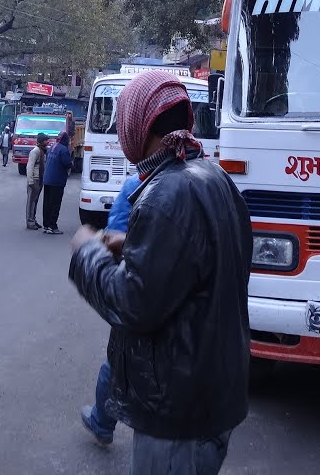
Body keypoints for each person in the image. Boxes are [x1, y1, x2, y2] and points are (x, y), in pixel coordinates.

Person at [69, 70, 252, 473]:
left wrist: (86, 254)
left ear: (139, 125)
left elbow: (133, 304)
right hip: (212, 393)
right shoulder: (212, 176)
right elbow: (205, 265)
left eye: (122, 124)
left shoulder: (165, 194)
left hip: (179, 410)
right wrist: (132, 245)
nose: (119, 135)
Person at [80, 173, 142, 446]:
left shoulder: (135, 183)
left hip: (140, 291)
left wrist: (90, 252)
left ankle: (102, 423)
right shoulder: (207, 178)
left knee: (118, 360)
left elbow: (114, 239)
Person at [42, 131, 72, 235]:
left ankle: (46, 225)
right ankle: (52, 226)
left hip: (47, 179)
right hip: (57, 181)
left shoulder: (52, 147)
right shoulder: (63, 150)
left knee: (47, 203)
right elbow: (67, 164)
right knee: (55, 204)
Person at [25, 133, 49, 230]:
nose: (47, 142)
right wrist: (30, 181)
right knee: (31, 202)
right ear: (41, 141)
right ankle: (30, 222)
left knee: (35, 201)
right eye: (46, 140)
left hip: (39, 179)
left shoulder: (42, 151)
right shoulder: (35, 151)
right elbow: (29, 166)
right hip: (34, 180)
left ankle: (33, 219)